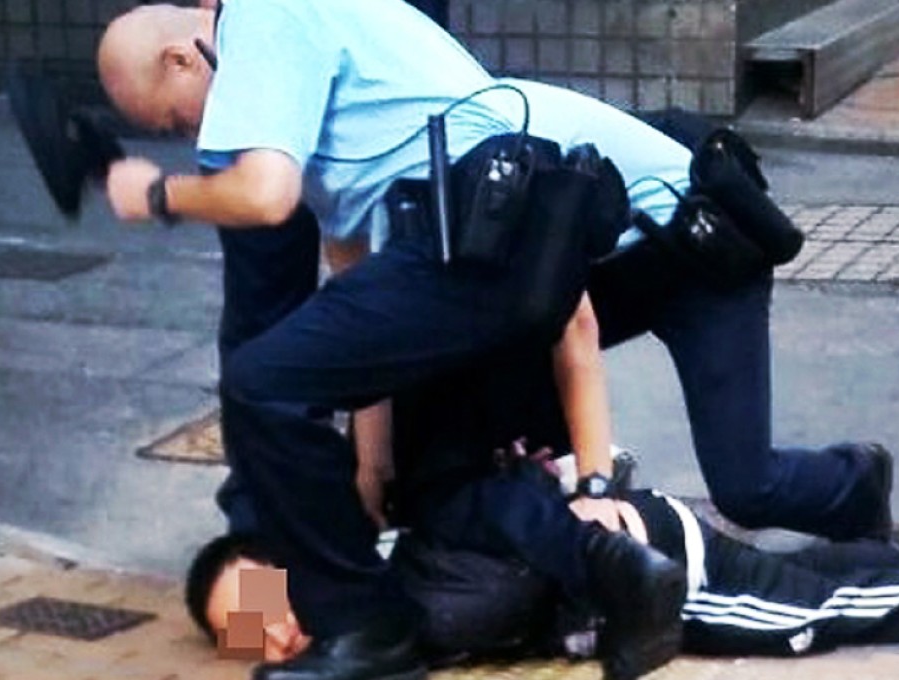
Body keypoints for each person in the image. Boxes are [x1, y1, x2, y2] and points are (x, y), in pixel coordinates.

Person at [96, 3, 676, 680]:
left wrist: (160, 195)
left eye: (176, 119)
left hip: (467, 237)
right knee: (424, 468)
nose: (195, 137)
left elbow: (264, 207)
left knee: (264, 380)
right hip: (496, 235)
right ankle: (615, 568)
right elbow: (353, 292)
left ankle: (361, 628)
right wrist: (369, 470)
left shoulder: (262, 40)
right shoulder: (342, 73)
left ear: (182, 57)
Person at [186, 344, 899, 676]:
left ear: (284, 568)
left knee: (840, 606)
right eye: (243, 636)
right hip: (629, 561)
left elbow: (490, 542)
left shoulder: (377, 582)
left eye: (260, 605)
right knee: (828, 576)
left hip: (655, 566)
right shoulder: (363, 612)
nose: (275, 635)